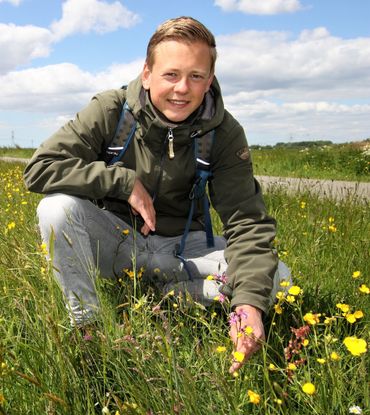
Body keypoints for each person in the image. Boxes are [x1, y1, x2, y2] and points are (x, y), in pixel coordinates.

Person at [24, 16, 290, 374]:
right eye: (171, 74)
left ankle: (170, 298)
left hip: (185, 252)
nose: (182, 88)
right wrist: (121, 182)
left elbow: (247, 223)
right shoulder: (111, 110)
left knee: (280, 279)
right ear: (146, 73)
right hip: (120, 247)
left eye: (196, 76)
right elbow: (40, 167)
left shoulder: (224, 132)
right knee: (56, 208)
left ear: (209, 80)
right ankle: (86, 329)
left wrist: (250, 305)